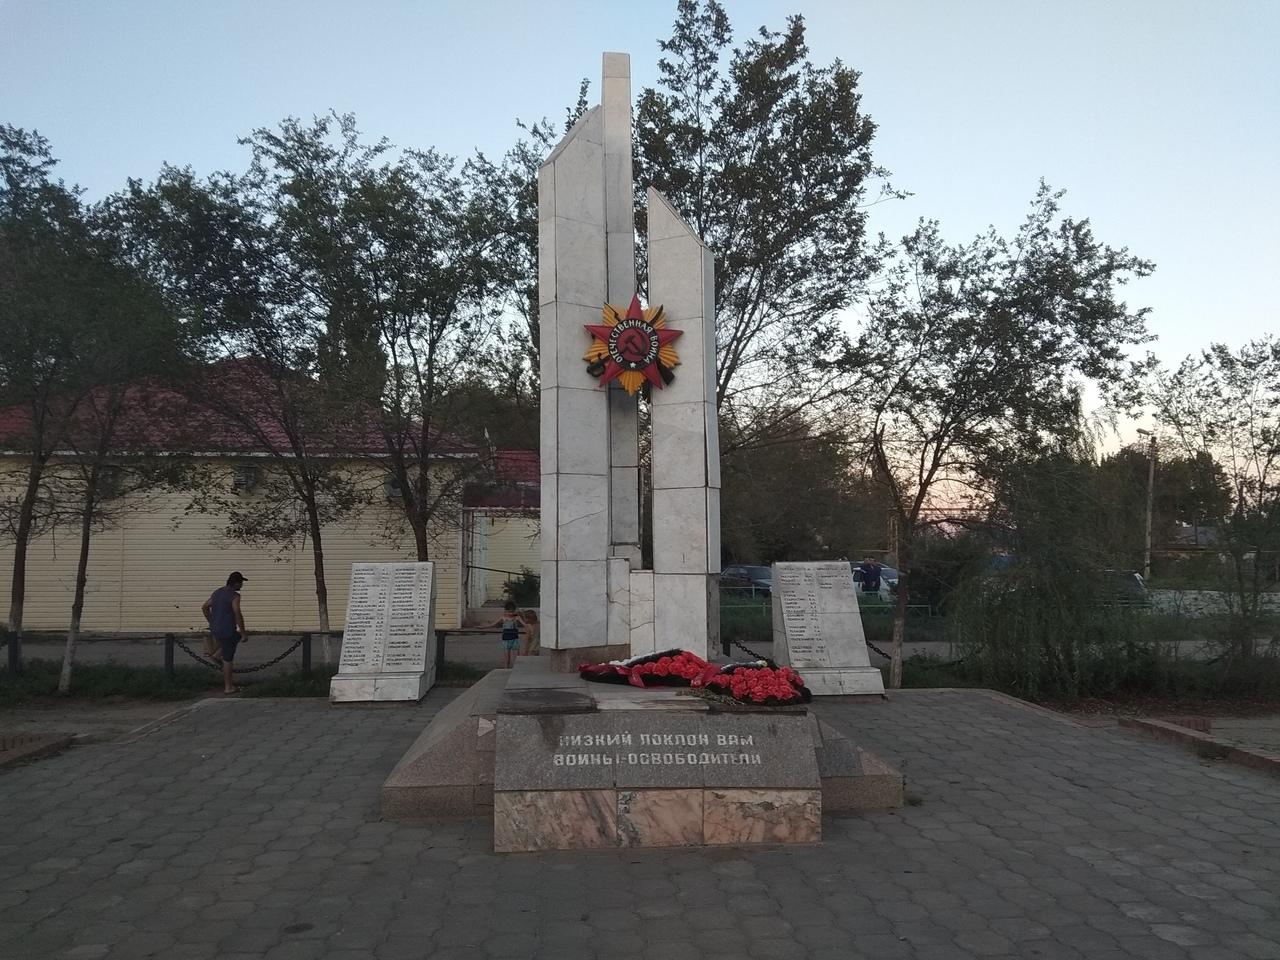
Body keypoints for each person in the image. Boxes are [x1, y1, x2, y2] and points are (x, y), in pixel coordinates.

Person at [202, 572, 249, 695]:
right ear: (236, 583)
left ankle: (217, 656)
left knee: (235, 638)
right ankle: (229, 687)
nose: (242, 586)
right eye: (241, 583)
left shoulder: (217, 592)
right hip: (227, 629)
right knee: (228, 659)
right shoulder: (234, 596)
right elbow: (237, 613)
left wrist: (212, 622)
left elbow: (205, 607)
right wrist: (243, 632)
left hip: (216, 629)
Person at [486, 601, 526, 669]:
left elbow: (525, 624)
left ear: (515, 611)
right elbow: (492, 624)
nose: (510, 614)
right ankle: (506, 669)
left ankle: (517, 669)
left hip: (514, 639)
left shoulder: (517, 618)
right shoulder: (503, 617)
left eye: (512, 612)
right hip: (506, 639)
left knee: (516, 656)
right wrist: (483, 626)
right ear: (505, 611)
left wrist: (530, 627)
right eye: (509, 612)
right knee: (507, 656)